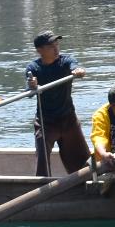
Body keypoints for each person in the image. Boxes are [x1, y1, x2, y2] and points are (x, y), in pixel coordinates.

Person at [26, 31, 87, 177]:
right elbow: (30, 89)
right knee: (42, 161)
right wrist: (33, 85)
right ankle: (41, 187)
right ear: (40, 50)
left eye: (57, 44)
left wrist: (78, 71)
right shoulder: (33, 68)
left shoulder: (65, 61)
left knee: (83, 162)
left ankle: (87, 182)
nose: (56, 48)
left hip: (68, 118)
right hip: (46, 121)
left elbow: (75, 66)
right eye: (51, 46)